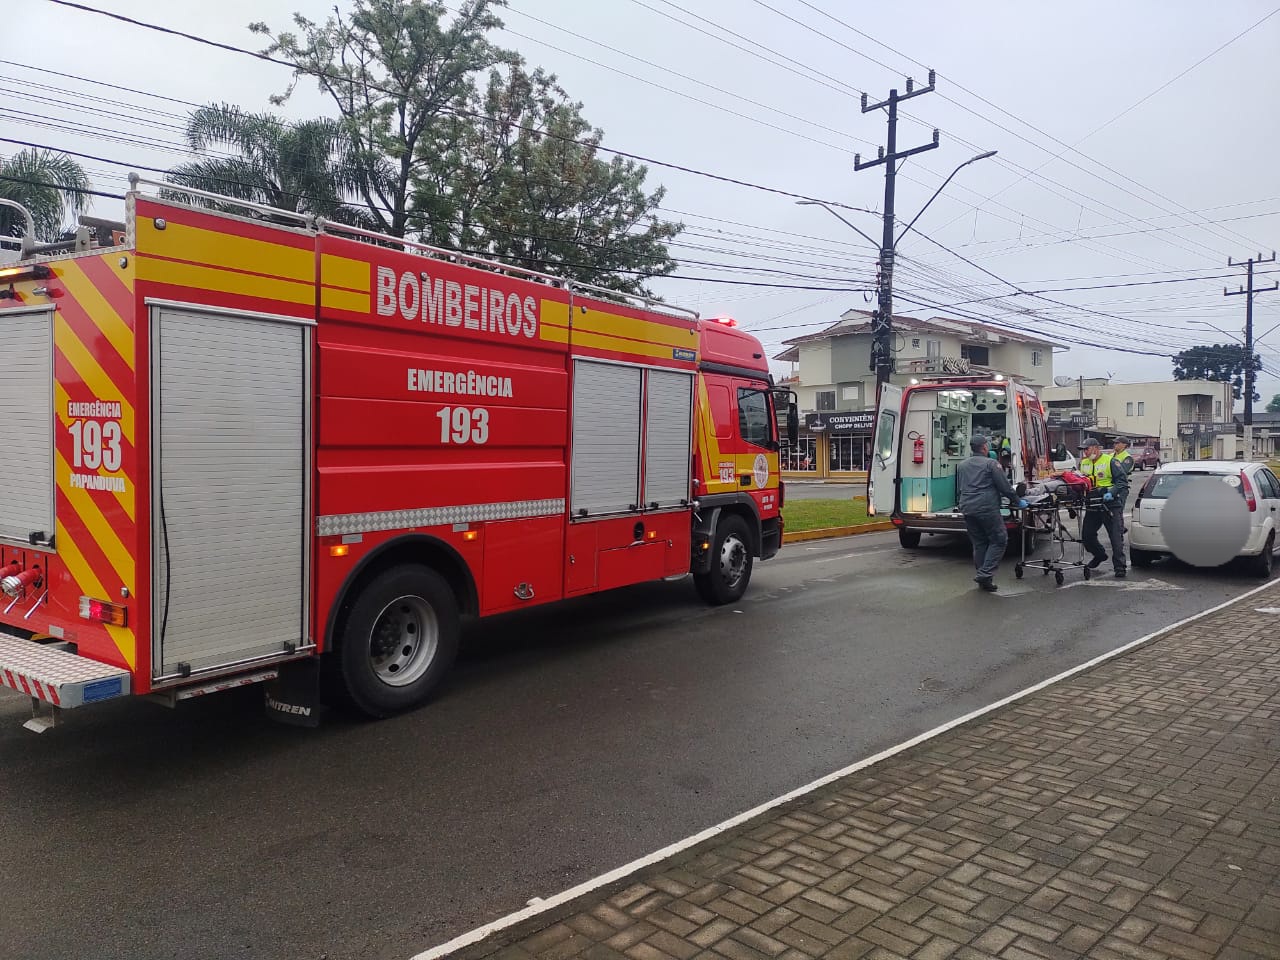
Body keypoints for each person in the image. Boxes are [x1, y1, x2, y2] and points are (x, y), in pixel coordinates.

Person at [957, 434, 1027, 593]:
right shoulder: (991, 464)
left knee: (980, 543)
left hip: (967, 508)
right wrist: (1017, 501)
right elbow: (1004, 486)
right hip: (986, 508)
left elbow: (960, 487)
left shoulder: (962, 465)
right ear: (984, 447)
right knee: (999, 540)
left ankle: (985, 581)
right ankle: (984, 574)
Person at [1079, 437, 1130, 578]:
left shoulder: (1110, 461)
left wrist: (1111, 492)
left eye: (1086, 449)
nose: (1085, 452)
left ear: (1096, 448)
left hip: (1110, 504)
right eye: (1083, 450)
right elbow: (1080, 482)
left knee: (1115, 537)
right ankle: (1100, 555)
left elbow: (1122, 483)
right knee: (1087, 536)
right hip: (1093, 504)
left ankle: (1120, 567)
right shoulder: (1084, 463)